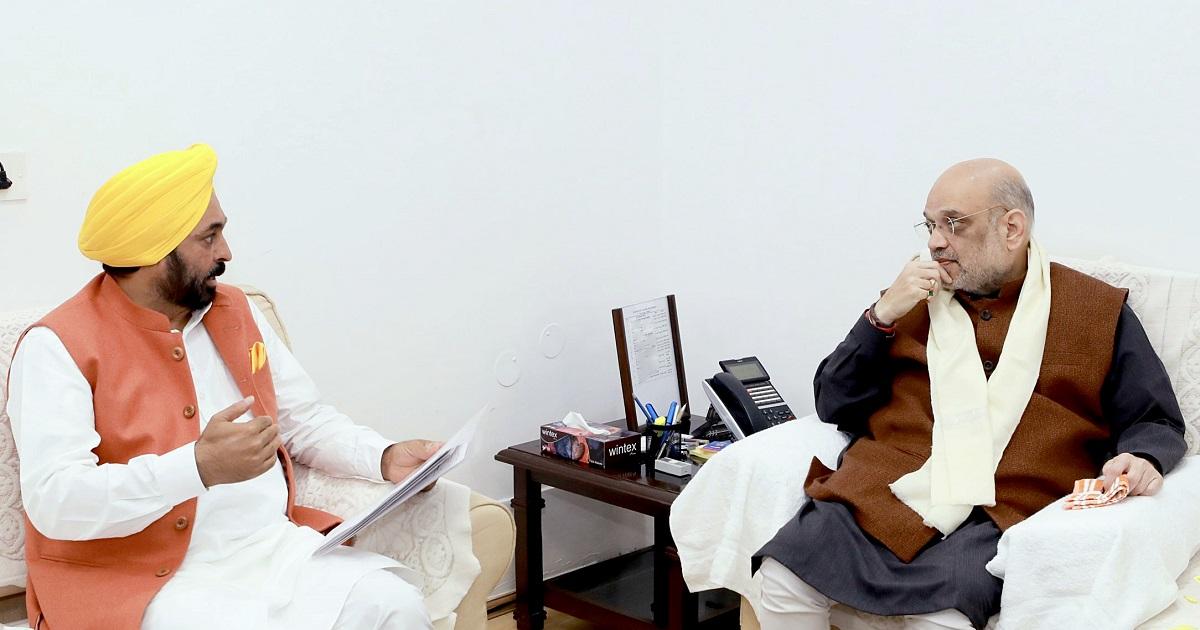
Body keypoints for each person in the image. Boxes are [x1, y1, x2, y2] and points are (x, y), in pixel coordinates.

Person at [6, 144, 441, 630]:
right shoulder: (55, 345)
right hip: (142, 579)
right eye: (209, 237)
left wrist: (383, 457)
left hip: (268, 549)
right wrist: (196, 467)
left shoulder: (236, 309)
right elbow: (57, 500)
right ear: (154, 252)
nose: (226, 252)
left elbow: (302, 420)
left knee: (393, 605)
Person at [753, 158, 1187, 629]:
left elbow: (1154, 418)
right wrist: (882, 314)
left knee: (943, 619)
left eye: (954, 224)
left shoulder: (1095, 310)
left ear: (1012, 228)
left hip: (1001, 509)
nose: (935, 242)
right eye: (931, 225)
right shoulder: (910, 300)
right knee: (780, 580)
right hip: (884, 488)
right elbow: (834, 403)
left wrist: (1142, 456)